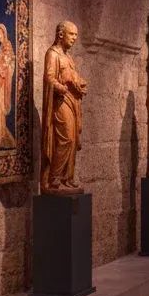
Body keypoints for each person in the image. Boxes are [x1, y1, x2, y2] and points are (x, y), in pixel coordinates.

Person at [40, 20, 86, 193]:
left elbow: (72, 76)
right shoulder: (53, 54)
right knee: (66, 138)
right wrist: (60, 86)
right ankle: (54, 177)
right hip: (61, 101)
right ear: (61, 34)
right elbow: (49, 77)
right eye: (71, 34)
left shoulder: (68, 57)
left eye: (76, 35)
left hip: (72, 100)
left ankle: (67, 177)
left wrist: (80, 84)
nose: (74, 38)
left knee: (73, 139)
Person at [0, 22, 15, 146]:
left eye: (0, 33)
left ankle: (2, 133)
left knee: (1, 106)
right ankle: (0, 132)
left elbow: (7, 61)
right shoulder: (2, 46)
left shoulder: (7, 44)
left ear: (4, 33)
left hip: (4, 79)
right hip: (0, 78)